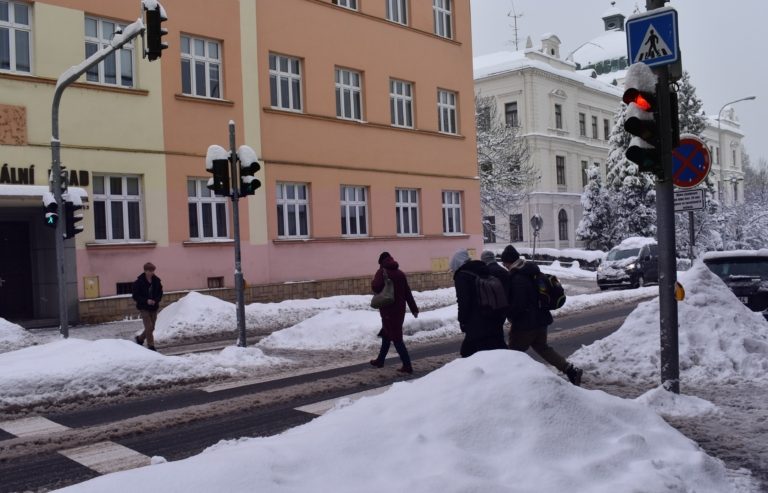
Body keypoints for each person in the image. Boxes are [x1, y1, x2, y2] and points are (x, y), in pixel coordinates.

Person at [501, 245, 583, 386]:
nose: (504, 266)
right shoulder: (531, 270)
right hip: (541, 320)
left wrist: (509, 314)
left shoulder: (517, 278)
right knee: (543, 348)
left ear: (508, 262)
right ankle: (570, 370)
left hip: (526, 324)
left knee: (512, 354)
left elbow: (519, 304)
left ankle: (510, 384)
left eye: (504, 263)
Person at [451, 249, 507, 358]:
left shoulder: (462, 276)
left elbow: (463, 301)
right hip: (492, 315)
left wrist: (462, 320)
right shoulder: (481, 269)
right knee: (497, 350)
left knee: (468, 353)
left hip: (476, 321)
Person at [370, 252, 419, 374]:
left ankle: (407, 366)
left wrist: (377, 276)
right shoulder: (400, 273)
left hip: (388, 310)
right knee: (387, 334)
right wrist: (414, 308)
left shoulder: (382, 272)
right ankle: (380, 360)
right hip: (399, 311)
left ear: (381, 262)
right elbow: (407, 292)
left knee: (396, 338)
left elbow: (375, 287)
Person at [132, 262, 163, 351]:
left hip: (154, 307)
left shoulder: (157, 281)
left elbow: (160, 293)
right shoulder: (138, 282)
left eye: (152, 271)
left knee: (152, 327)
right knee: (149, 327)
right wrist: (146, 300)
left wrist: (156, 300)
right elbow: (135, 296)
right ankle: (151, 346)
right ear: (145, 271)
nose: (151, 273)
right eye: (149, 271)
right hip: (144, 307)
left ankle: (140, 339)